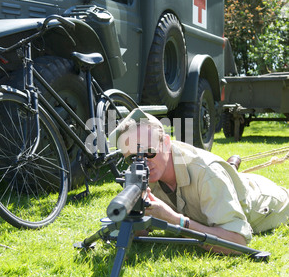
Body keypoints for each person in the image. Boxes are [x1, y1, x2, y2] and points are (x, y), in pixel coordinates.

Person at [110, 109, 289, 255]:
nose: (142, 162)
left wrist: (174, 220)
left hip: (269, 201)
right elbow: (138, 234)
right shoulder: (143, 173)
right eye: (132, 157)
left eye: (148, 151)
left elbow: (238, 241)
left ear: (165, 143)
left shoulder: (206, 172)